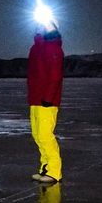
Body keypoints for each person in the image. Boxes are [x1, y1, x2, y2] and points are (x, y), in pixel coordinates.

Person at [28, 15, 63, 184]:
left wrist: (48, 98)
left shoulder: (54, 48)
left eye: (45, 24)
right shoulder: (35, 48)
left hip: (46, 101)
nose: (41, 26)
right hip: (35, 99)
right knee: (37, 135)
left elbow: (55, 76)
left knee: (45, 135)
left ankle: (55, 172)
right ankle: (45, 168)